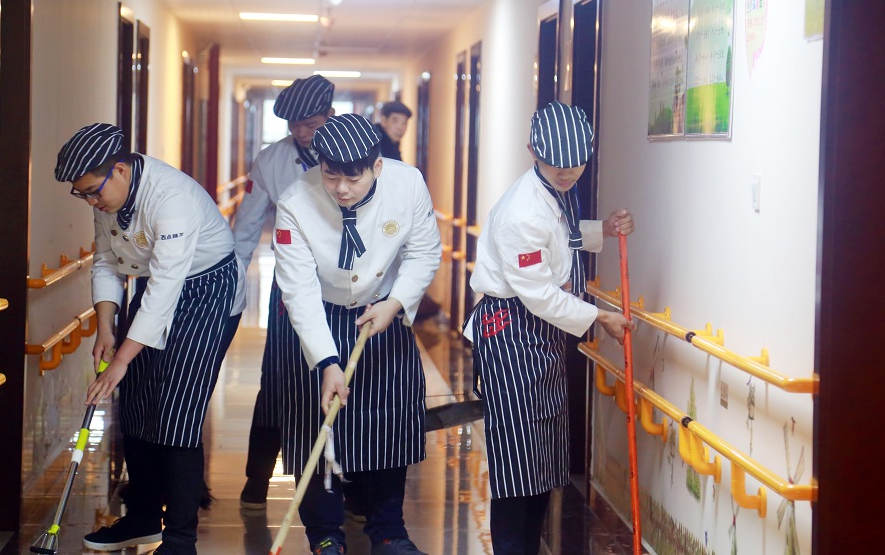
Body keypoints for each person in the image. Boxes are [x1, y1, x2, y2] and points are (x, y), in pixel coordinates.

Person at [54, 123, 244, 555]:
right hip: (156, 284)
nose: (91, 202)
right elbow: (106, 261)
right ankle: (141, 518)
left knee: (178, 414)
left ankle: (179, 541)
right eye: (82, 195)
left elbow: (166, 287)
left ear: (120, 170)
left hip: (207, 290)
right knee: (137, 406)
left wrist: (121, 359)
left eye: (93, 192)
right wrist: (106, 327)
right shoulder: (105, 196)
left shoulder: (171, 198)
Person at [463, 102, 634, 555]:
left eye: (576, 163)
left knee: (540, 458)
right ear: (532, 151)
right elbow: (537, 293)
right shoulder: (522, 211)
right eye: (556, 163)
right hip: (512, 332)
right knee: (517, 462)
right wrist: (600, 317)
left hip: (541, 333)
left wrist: (604, 229)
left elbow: (561, 238)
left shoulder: (556, 191)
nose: (567, 172)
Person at [272, 113, 441, 555]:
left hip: (383, 306)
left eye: (353, 177)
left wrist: (396, 302)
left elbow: (424, 252)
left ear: (376, 166)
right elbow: (299, 290)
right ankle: (325, 534)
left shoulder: (408, 184)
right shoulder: (295, 202)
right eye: (331, 176)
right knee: (313, 424)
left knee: (389, 421)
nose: (342, 189)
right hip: (319, 312)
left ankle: (388, 532)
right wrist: (327, 361)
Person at [232, 74, 335, 510]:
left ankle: (346, 485)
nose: (302, 133)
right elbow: (247, 225)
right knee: (277, 376)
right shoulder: (271, 160)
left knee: (342, 374)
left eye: (310, 124)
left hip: (348, 282)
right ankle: (257, 478)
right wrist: (231, 286)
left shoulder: (359, 152)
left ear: (330, 115)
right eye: (294, 125)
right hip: (291, 279)